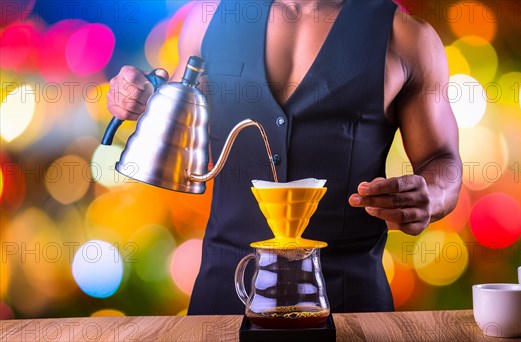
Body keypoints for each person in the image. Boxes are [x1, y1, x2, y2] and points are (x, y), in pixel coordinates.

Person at [108, 0, 462, 314]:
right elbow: (176, 98)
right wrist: (136, 93)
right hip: (223, 299)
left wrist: (431, 195)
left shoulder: (406, 38)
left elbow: (442, 159)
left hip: (349, 306)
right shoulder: (208, 19)